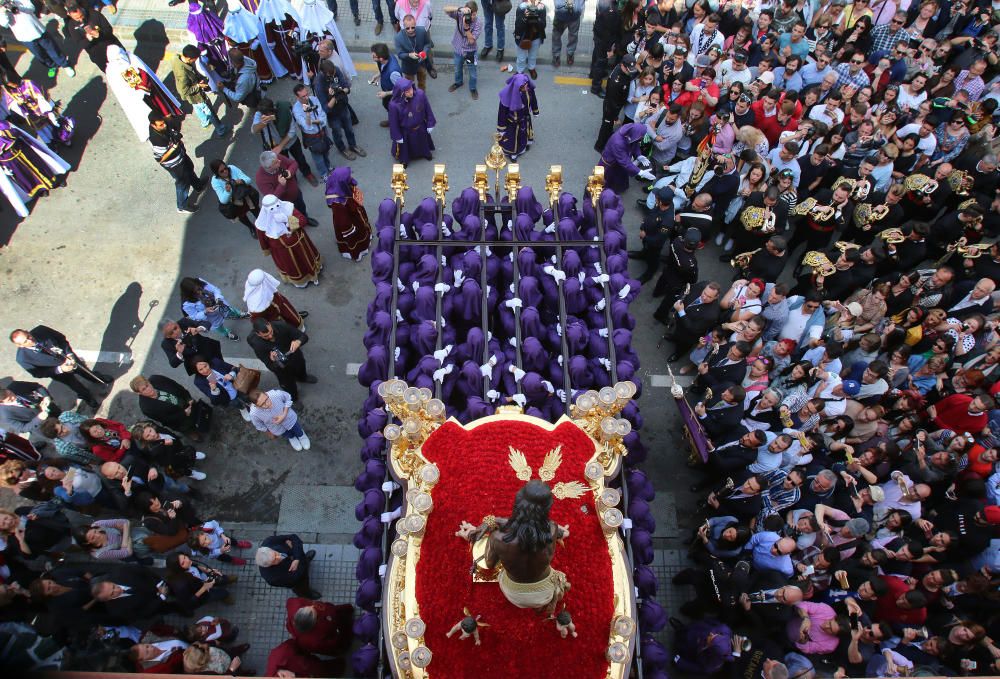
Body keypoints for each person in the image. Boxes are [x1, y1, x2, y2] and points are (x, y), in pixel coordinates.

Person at [456, 480, 570, 612]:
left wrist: (487, 528)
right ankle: (540, 606)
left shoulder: (497, 537)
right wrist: (493, 520)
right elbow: (530, 526)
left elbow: (490, 564)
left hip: (514, 594)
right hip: (545, 591)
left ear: (518, 503)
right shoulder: (552, 528)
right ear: (547, 508)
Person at [10, 325, 108, 408]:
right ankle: (87, 397)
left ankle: (98, 378)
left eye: (28, 336)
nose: (30, 339)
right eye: (25, 341)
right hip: (58, 372)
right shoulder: (23, 358)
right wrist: (60, 369)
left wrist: (69, 354)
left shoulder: (41, 330)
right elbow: (37, 373)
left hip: (68, 358)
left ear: (27, 331)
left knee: (84, 370)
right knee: (74, 384)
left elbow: (61, 338)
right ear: (20, 346)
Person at [105, 45, 183, 143]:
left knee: (163, 110)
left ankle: (171, 128)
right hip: (137, 99)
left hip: (150, 93)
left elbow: (144, 73)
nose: (119, 60)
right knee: (153, 116)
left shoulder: (131, 59)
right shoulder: (112, 70)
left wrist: (142, 87)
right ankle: (163, 133)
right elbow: (121, 88)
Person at [0, 120, 70, 217]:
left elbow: (15, 132)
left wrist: (4, 133)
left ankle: (54, 181)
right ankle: (40, 190)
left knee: (38, 164)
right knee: (24, 175)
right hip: (7, 161)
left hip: (21, 149)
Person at [255, 193, 323, 287]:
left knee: (307, 259)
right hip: (284, 252)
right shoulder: (261, 223)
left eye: (277, 206)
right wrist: (266, 249)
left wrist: (287, 219)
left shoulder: (288, 208)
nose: (275, 210)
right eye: (271, 209)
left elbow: (302, 220)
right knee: (294, 267)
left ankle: (314, 272)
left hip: (301, 243)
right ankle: (301, 282)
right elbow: (263, 240)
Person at [148, 111, 205, 215]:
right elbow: (160, 159)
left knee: (189, 168)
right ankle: (182, 206)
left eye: (163, 122)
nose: (164, 125)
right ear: (153, 125)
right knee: (182, 183)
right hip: (174, 164)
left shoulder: (162, 126)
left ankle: (198, 186)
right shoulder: (156, 140)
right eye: (161, 125)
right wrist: (173, 148)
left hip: (181, 155)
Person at [0, 0, 74, 80]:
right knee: (40, 55)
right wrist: (3, 12)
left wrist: (19, 7)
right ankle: (52, 66)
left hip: (37, 30)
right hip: (24, 37)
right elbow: (4, 24)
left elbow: (32, 8)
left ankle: (65, 64)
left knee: (52, 49)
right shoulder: (1, 10)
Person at [252, 97, 317, 187]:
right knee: (284, 165)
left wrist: (280, 146)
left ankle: (307, 173)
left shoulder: (284, 110)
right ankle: (292, 179)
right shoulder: (260, 114)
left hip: (291, 142)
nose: (267, 115)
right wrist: (263, 123)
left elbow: (292, 131)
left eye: (269, 114)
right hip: (275, 145)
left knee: (300, 158)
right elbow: (254, 130)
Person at [247, 318, 316, 400]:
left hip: (295, 356)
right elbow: (270, 365)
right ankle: (294, 399)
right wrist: (273, 361)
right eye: (266, 336)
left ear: (270, 324)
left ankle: (303, 377)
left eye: (271, 332)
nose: (271, 336)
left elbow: (303, 336)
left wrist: (298, 341)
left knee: (301, 367)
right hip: (282, 369)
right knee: (288, 385)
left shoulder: (281, 325)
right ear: (258, 334)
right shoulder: (257, 344)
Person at [129, 374, 212, 441]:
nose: (149, 389)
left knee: (199, 414)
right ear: (139, 393)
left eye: (147, 385)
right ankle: (192, 434)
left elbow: (176, 385)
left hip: (186, 403)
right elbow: (165, 420)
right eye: (144, 389)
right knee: (188, 428)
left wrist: (188, 398)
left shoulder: (156, 379)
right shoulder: (146, 408)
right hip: (179, 420)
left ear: (148, 381)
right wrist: (184, 414)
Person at [172, 45, 229, 139]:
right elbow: (185, 91)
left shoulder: (176, 58)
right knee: (209, 110)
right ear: (189, 58)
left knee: (198, 108)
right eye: (195, 59)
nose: (195, 61)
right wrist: (198, 86)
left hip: (192, 97)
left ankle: (205, 122)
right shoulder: (182, 73)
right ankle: (220, 129)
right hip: (196, 95)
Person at [314, 60, 366, 161]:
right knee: (337, 132)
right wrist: (334, 96)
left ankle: (353, 145)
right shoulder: (319, 83)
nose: (334, 75)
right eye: (331, 75)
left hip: (343, 106)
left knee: (349, 129)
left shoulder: (335, 70)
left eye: (334, 73)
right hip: (333, 114)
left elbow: (347, 87)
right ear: (324, 73)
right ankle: (342, 149)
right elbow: (326, 108)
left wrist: (340, 90)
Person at [324, 166, 372, 261]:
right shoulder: (336, 202)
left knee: (362, 226)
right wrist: (350, 230)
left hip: (354, 211)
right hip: (350, 220)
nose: (350, 178)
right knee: (354, 237)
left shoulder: (339, 183)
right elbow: (343, 222)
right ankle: (357, 252)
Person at [256, 150, 316, 222]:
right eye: (276, 162)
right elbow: (272, 199)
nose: (279, 161)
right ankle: (299, 229)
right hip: (285, 205)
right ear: (269, 167)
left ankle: (305, 219)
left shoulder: (276, 157)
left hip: (296, 193)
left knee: (302, 208)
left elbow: (294, 163)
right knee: (293, 220)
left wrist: (290, 171)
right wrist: (282, 185)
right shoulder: (261, 179)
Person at [62, 2, 122, 73]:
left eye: (81, 16)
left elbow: (109, 29)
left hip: (113, 47)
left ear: (81, 9)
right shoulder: (71, 26)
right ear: (69, 15)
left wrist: (99, 34)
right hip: (98, 55)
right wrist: (88, 39)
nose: (81, 19)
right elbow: (80, 44)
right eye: (77, 18)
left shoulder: (94, 14)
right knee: (112, 74)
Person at [388, 78, 436, 166]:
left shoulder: (420, 95)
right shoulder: (394, 106)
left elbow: (427, 109)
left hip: (420, 127)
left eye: (410, 88)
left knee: (423, 144)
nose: (411, 92)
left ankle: (426, 154)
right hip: (405, 132)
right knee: (405, 149)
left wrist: (430, 123)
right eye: (407, 91)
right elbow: (393, 123)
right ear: (401, 93)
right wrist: (397, 136)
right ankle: (405, 160)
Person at [256, 534, 321, 599]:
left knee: (302, 558)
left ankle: (305, 560)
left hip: (297, 561)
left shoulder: (269, 541)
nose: (279, 557)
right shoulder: (272, 578)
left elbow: (293, 537)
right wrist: (293, 549)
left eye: (275, 553)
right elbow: (295, 579)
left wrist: (297, 558)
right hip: (298, 578)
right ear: (269, 565)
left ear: (270, 549)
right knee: (301, 587)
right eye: (274, 560)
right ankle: (307, 595)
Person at [291, 83, 337, 174]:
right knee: (318, 157)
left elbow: (322, 115)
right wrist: (308, 114)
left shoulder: (314, 99)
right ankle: (323, 173)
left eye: (307, 94)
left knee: (326, 150)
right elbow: (306, 126)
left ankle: (328, 166)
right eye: (303, 96)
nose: (307, 97)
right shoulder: (296, 110)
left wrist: (316, 121)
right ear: (297, 97)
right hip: (312, 136)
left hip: (322, 130)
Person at [285, 597, 354, 656]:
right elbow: (333, 643)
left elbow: (289, 601)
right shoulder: (315, 641)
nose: (312, 606)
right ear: (314, 623)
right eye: (315, 613)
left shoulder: (295, 604)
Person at [599, 122, 655, 193]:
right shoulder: (618, 142)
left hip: (619, 164)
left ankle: (616, 189)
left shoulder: (631, 134)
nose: (643, 138)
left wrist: (638, 155)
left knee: (620, 178)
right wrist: (640, 172)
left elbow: (635, 144)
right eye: (641, 136)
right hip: (610, 164)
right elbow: (625, 161)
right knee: (604, 179)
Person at [243, 268, 308, 329]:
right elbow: (257, 320)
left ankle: (296, 317)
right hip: (276, 318)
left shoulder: (260, 288)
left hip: (281, 306)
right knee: (288, 324)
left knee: (290, 312)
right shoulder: (256, 308)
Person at [210, 160, 260, 236]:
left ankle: (263, 223)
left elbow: (248, 180)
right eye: (221, 171)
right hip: (235, 204)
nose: (225, 171)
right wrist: (227, 192)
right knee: (242, 217)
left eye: (225, 168)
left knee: (255, 209)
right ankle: (251, 227)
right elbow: (223, 200)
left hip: (246, 196)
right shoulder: (215, 181)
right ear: (217, 173)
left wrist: (241, 181)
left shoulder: (232, 168)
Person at [496, 72, 538, 160]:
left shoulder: (528, 89)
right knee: (512, 141)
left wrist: (535, 111)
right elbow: (502, 113)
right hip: (512, 124)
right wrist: (501, 129)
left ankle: (525, 145)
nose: (526, 87)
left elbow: (533, 99)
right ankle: (513, 155)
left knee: (524, 135)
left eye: (526, 84)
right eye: (523, 86)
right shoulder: (507, 95)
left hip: (525, 119)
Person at [446, 2, 483, 99]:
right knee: (457, 69)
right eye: (470, 14)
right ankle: (458, 83)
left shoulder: (478, 23)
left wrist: (467, 29)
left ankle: (473, 88)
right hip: (458, 49)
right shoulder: (460, 15)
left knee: (473, 73)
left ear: (476, 13)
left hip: (471, 51)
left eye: (474, 14)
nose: (471, 17)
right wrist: (459, 8)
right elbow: (445, 9)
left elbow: (471, 41)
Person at [395, 14, 432, 91]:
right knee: (409, 85)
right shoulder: (398, 37)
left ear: (415, 24)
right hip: (408, 66)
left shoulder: (422, 31)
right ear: (403, 26)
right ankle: (412, 96)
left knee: (422, 82)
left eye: (413, 27)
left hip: (421, 63)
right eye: (407, 28)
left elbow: (428, 44)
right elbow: (400, 54)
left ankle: (421, 94)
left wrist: (424, 52)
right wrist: (409, 55)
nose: (410, 30)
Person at [370, 42, 403, 127]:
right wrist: (378, 74)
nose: (372, 57)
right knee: (387, 106)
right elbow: (383, 68)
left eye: (374, 56)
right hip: (387, 91)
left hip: (393, 95)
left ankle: (397, 125)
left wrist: (386, 93)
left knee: (394, 109)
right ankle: (392, 120)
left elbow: (401, 89)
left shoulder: (393, 73)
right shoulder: (387, 56)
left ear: (381, 59)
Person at [513, 0, 546, 78]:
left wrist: (537, 17)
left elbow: (543, 25)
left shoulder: (541, 8)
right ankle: (520, 71)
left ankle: (531, 68)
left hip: (536, 36)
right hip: (522, 37)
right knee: (521, 58)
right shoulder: (521, 7)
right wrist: (524, 18)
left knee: (533, 56)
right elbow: (518, 26)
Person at [549, 0, 582, 67]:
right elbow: (557, 4)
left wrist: (577, 7)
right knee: (556, 36)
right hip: (561, 16)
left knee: (573, 36)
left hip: (575, 16)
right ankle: (556, 55)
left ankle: (570, 53)